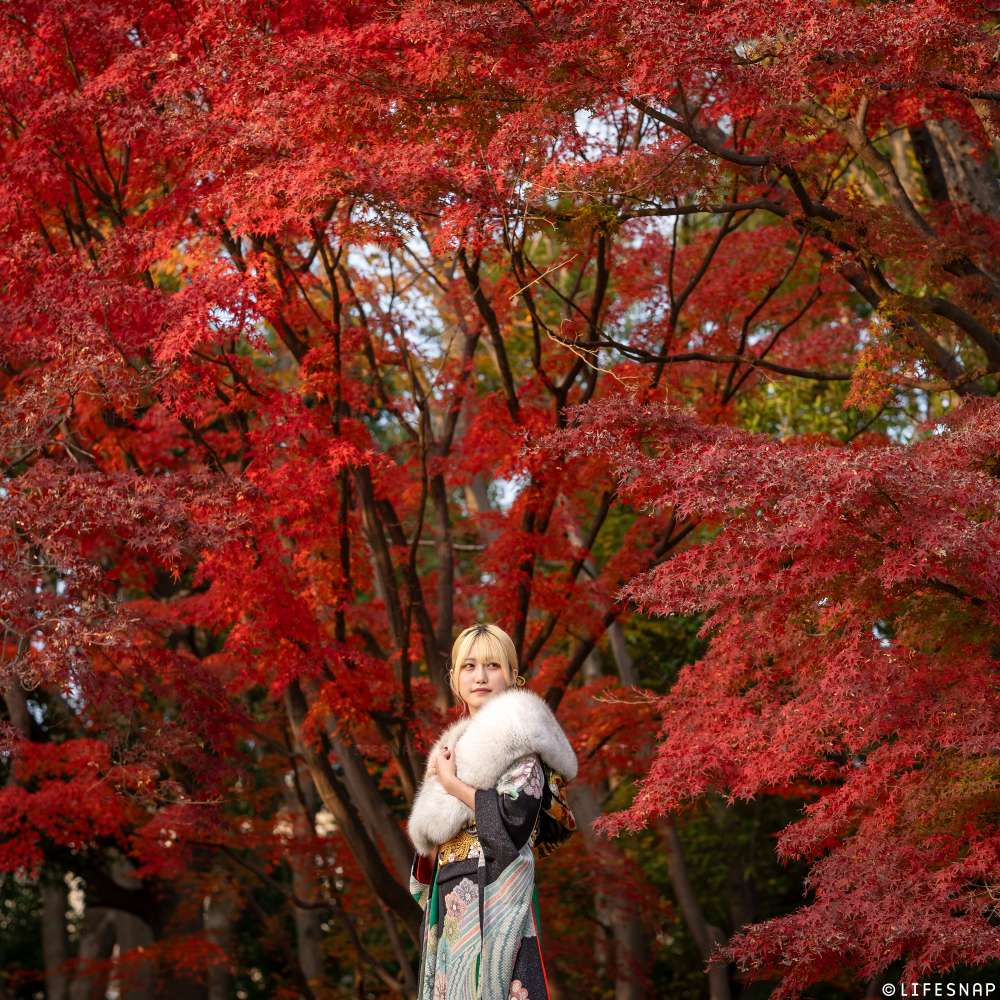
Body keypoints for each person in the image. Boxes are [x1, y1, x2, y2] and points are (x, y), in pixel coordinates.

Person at [406, 623, 578, 1000]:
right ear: (453, 678)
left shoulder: (521, 741)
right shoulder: (449, 751)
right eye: (468, 666)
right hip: (450, 903)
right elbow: (424, 868)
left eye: (492, 666)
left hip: (496, 894)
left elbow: (510, 829)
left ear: (513, 676)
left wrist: (453, 786)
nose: (480, 677)